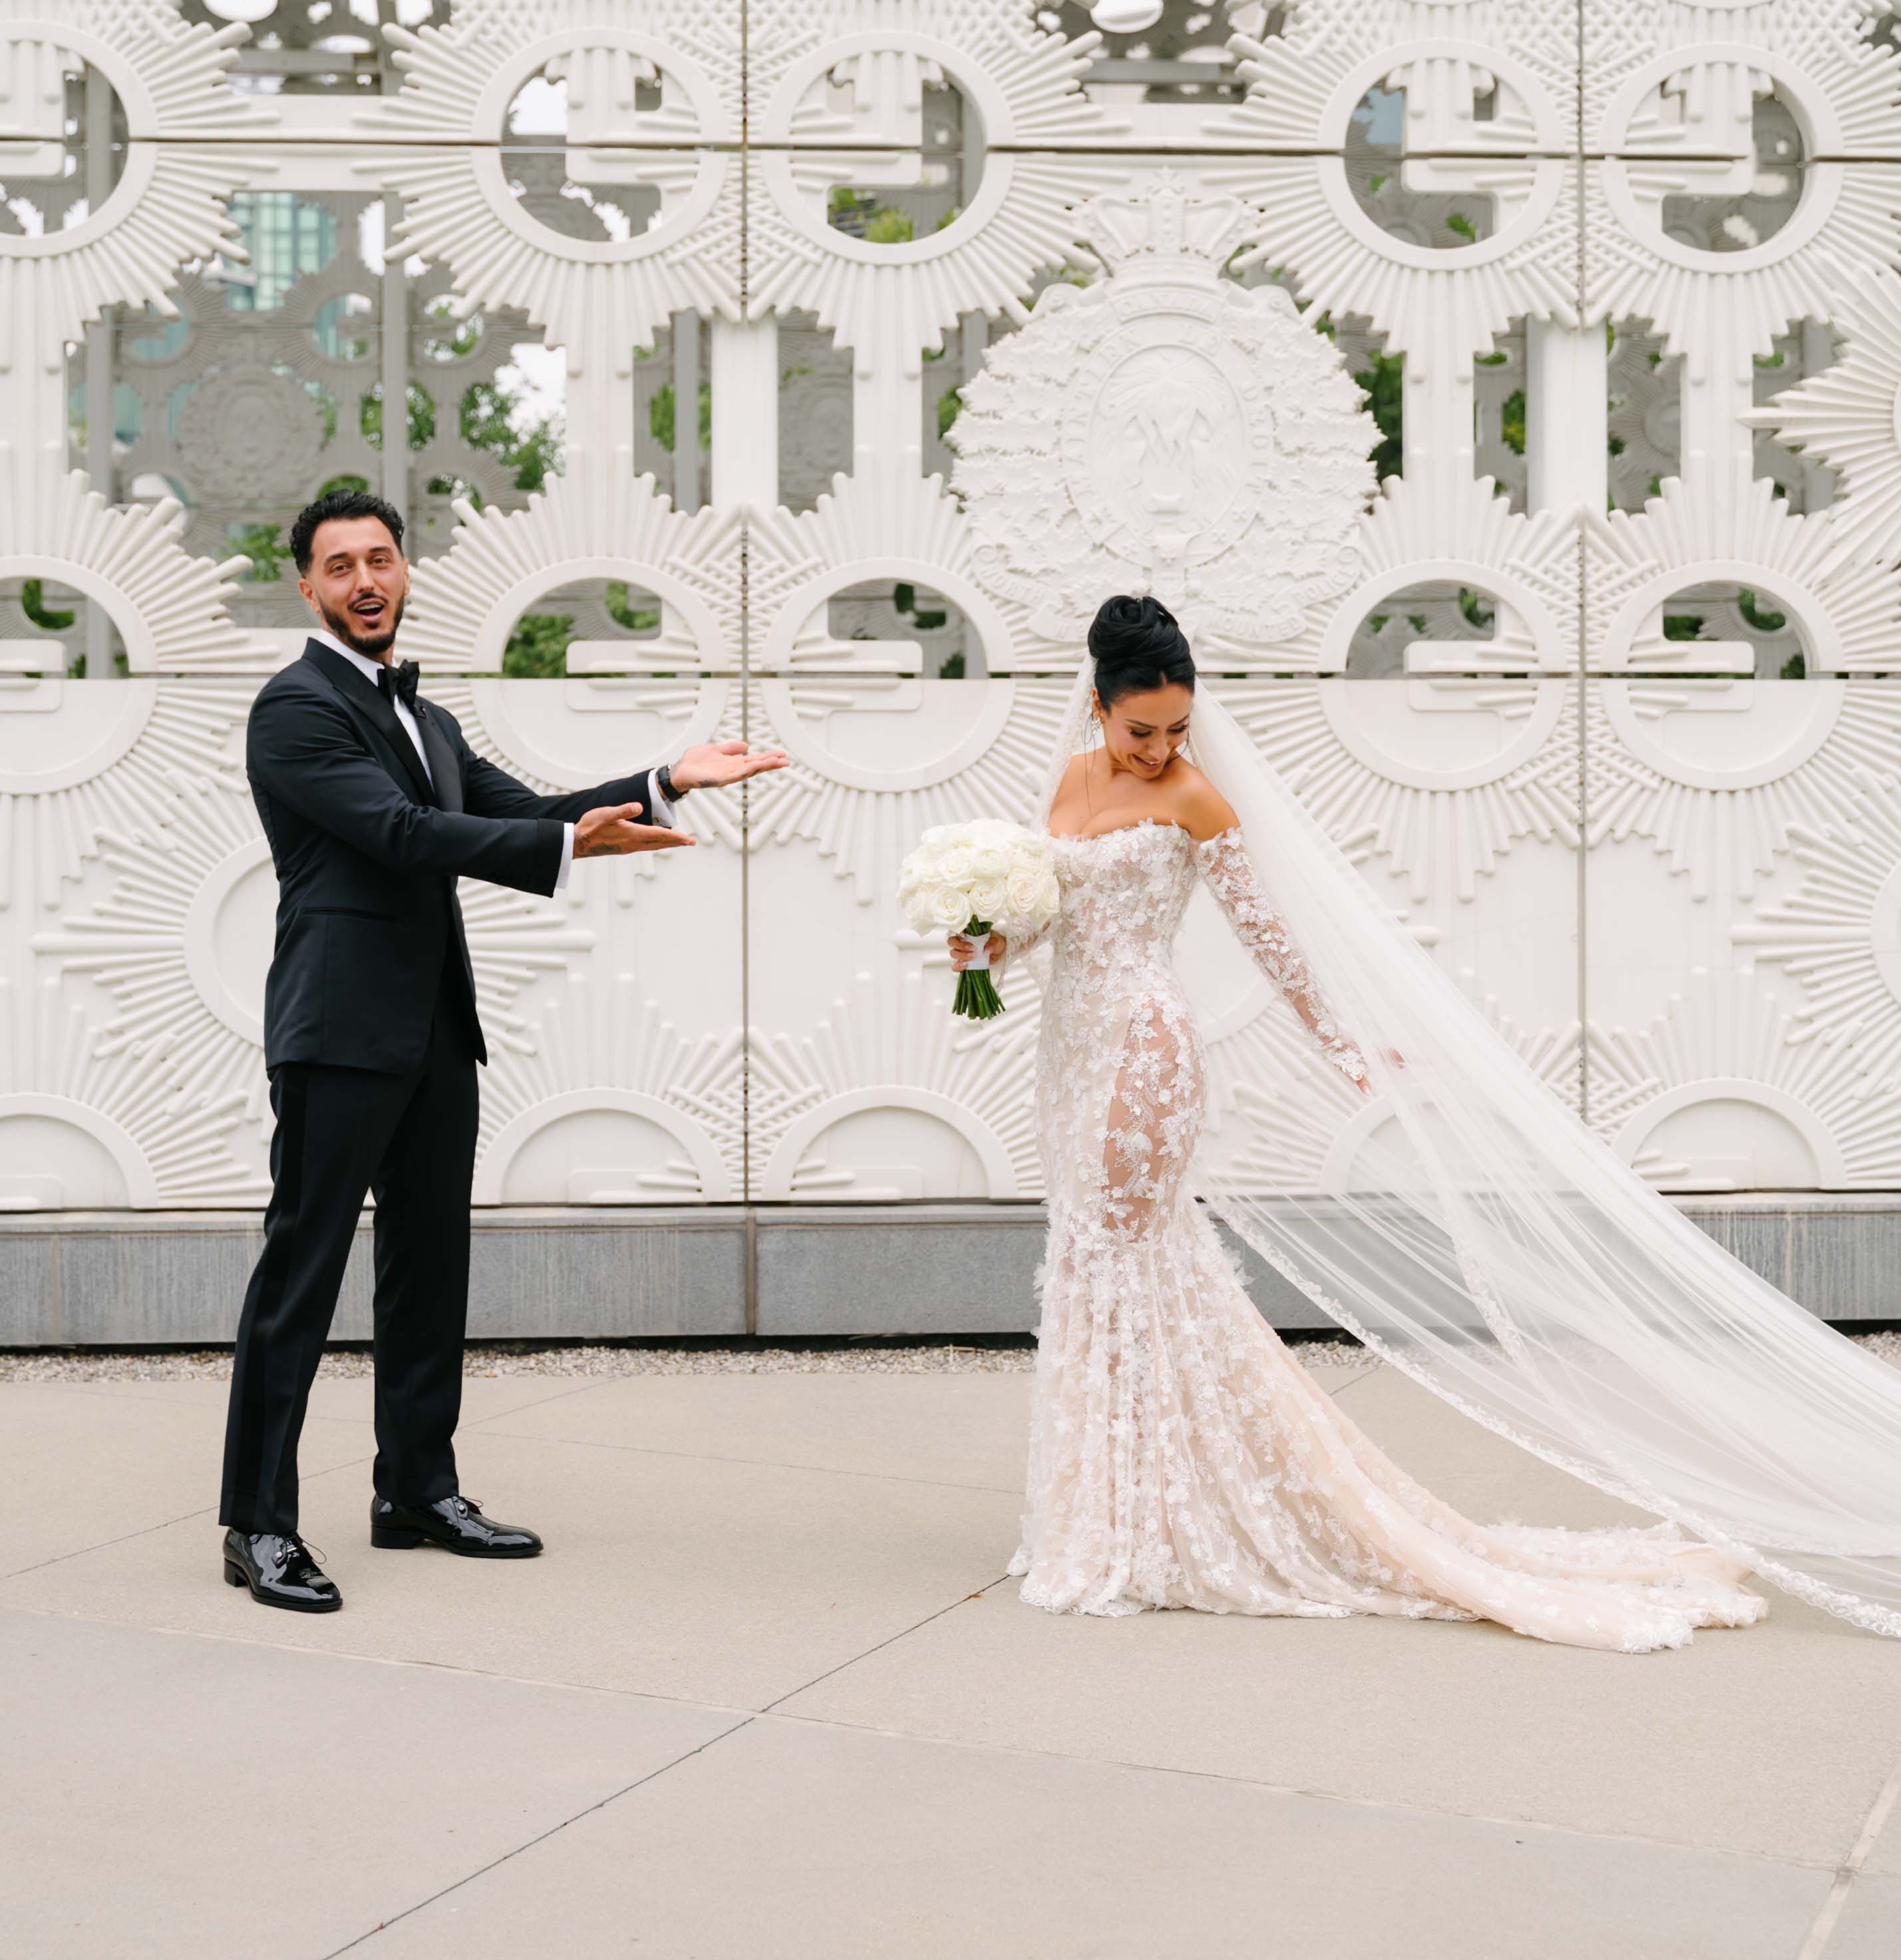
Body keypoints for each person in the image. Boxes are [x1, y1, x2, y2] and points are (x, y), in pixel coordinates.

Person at [953, 594, 1901, 1646]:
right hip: (1068, 1055)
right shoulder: (1072, 779)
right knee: (1088, 1262)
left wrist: (1347, 1039)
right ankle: (1112, 1507)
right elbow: (1053, 921)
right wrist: (982, 948)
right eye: (1142, 729)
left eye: (1179, 727)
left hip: (1143, 1052)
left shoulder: (1195, 800)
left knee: (1128, 1261)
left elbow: (1272, 937)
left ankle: (1149, 1517)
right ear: (1097, 705)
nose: (1162, 748)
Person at [220, 489, 785, 1614]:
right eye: (340, 567)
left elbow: (521, 808)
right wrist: (563, 840)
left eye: (380, 559)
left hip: (434, 1025)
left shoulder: (425, 720)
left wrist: (663, 780)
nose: (365, 581)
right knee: (303, 1272)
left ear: (406, 569)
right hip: (337, 1031)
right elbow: (400, 834)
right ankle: (257, 1523)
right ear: (307, 587)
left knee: (430, 1267)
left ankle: (418, 1491)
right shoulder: (295, 708)